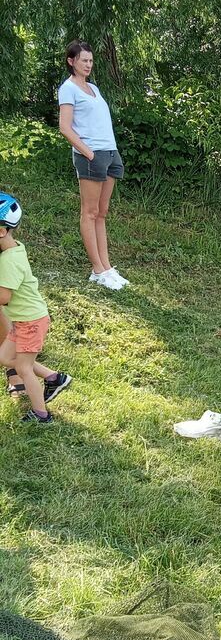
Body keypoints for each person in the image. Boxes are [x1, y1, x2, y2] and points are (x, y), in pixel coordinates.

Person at [58, 40, 128, 291]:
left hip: (109, 153)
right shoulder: (68, 89)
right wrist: (87, 153)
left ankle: (107, 268)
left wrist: (111, 150)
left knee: (102, 212)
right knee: (89, 212)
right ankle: (97, 270)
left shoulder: (94, 89)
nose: (88, 64)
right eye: (83, 60)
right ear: (71, 61)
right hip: (91, 155)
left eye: (90, 60)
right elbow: (64, 127)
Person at [0, 194, 72, 423]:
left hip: (31, 321)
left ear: (2, 231)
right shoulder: (14, 249)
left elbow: (3, 297)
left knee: (23, 368)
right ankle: (54, 378)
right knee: (4, 356)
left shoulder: (9, 261)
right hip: (23, 320)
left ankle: (41, 415)